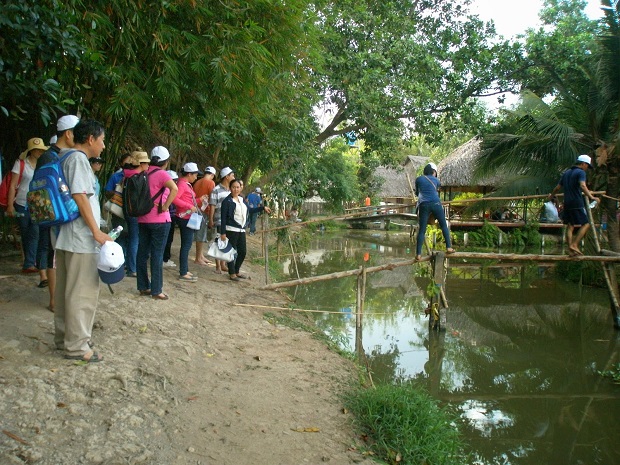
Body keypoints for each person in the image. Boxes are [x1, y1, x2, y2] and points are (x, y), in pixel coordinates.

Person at [53, 119, 112, 363]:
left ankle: (65, 338)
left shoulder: (64, 157)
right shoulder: (78, 159)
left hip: (68, 237)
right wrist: (96, 232)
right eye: (102, 140)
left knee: (66, 291)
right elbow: (80, 197)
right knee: (82, 293)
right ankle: (77, 346)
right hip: (81, 239)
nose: (104, 146)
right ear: (90, 139)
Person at [37, 116, 79, 312]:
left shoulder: (52, 155)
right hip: (55, 213)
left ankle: (58, 298)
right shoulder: (54, 157)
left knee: (55, 254)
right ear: (68, 133)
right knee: (53, 254)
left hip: (51, 211)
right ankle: (55, 300)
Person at [136, 146, 178, 300]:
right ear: (165, 161)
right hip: (160, 220)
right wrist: (166, 206)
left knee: (142, 252)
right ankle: (156, 290)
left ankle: (143, 286)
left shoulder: (144, 172)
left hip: (142, 218)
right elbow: (174, 189)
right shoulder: (162, 174)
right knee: (157, 254)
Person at [6, 138, 48, 283]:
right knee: (25, 232)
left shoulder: (43, 164)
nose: (39, 152)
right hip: (21, 203)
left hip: (37, 204)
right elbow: (12, 185)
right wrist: (10, 205)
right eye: (37, 149)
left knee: (35, 232)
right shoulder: (21, 164)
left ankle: (31, 263)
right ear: (31, 150)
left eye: (41, 149)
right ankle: (30, 262)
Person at [220, 179, 271, 281]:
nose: (236, 189)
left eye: (237, 187)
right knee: (231, 252)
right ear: (230, 188)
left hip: (241, 230)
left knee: (242, 252)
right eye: (233, 187)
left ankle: (237, 270)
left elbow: (250, 210)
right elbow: (223, 218)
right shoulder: (227, 201)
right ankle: (232, 273)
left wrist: (262, 208)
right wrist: (223, 233)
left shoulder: (242, 199)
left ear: (240, 188)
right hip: (231, 229)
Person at [549, 154, 600, 256]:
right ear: (583, 164)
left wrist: (551, 196)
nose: (587, 169)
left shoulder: (567, 173)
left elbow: (557, 188)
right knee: (586, 224)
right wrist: (592, 197)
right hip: (576, 202)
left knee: (570, 225)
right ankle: (575, 244)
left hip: (567, 202)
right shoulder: (581, 172)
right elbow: (582, 185)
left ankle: (570, 250)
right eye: (587, 166)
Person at [104, 153, 139, 277]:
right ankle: (125, 265)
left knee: (125, 238)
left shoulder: (120, 176)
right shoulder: (120, 177)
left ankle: (123, 265)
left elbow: (107, 191)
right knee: (125, 239)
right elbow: (107, 192)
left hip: (122, 212)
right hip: (126, 213)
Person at [415, 162, 455, 261]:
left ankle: (418, 254)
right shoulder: (437, 181)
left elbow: (417, 193)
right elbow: (435, 191)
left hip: (424, 205)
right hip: (436, 204)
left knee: (422, 230)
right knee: (443, 225)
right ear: (433, 171)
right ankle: (449, 247)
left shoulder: (419, 179)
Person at [172, 163, 202, 282]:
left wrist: (199, 200)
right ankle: (183, 272)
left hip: (188, 216)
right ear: (189, 174)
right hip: (185, 217)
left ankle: (185, 270)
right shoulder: (182, 185)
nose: (196, 177)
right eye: (195, 175)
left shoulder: (186, 185)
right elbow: (174, 198)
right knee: (186, 245)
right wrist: (188, 206)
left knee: (187, 244)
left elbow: (188, 199)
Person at [209, 166, 235, 273]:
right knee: (219, 241)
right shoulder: (216, 190)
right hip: (219, 219)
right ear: (227, 177)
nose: (234, 177)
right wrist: (211, 219)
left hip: (230, 220)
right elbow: (212, 205)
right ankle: (217, 266)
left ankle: (223, 264)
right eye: (232, 175)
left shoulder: (232, 189)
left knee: (225, 242)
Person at [192, 165, 216, 265]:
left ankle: (200, 255)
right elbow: (213, 198)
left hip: (195, 209)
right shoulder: (211, 183)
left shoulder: (197, 182)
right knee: (201, 234)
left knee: (199, 232)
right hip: (204, 211)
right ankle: (198, 257)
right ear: (213, 175)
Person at [163, 170, 179, 267]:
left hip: (171, 215)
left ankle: (165, 257)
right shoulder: (167, 190)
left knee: (169, 238)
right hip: (167, 216)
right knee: (167, 238)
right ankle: (164, 259)